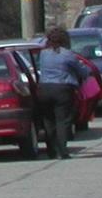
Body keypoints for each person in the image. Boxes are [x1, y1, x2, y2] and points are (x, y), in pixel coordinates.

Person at [36, 27, 84, 159]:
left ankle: (51, 149)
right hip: (62, 89)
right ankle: (63, 151)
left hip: (44, 88)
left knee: (48, 120)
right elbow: (82, 71)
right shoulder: (68, 54)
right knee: (62, 121)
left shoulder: (43, 54)